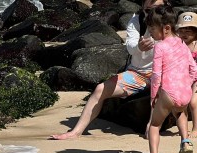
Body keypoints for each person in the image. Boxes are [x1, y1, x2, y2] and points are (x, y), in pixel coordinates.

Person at [49, 0, 165, 140]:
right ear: (142, 8)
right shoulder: (137, 21)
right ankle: (76, 132)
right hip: (137, 74)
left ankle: (151, 128)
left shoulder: (169, 24)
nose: (151, 14)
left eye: (157, 9)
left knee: (159, 87)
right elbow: (130, 47)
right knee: (100, 89)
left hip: (161, 73)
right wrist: (139, 47)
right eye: (148, 10)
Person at [137, 5, 197, 153]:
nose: (150, 33)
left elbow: (156, 75)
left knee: (155, 125)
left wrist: (154, 97)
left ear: (166, 28)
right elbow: (193, 68)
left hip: (168, 92)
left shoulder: (160, 47)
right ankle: (186, 141)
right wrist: (188, 84)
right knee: (180, 113)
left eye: (152, 29)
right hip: (184, 92)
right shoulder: (182, 43)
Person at [176, 11, 197, 138]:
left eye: (189, 31)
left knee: (194, 102)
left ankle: (196, 128)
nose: (184, 34)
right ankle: (183, 129)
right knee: (181, 102)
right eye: (182, 30)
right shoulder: (177, 45)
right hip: (182, 78)